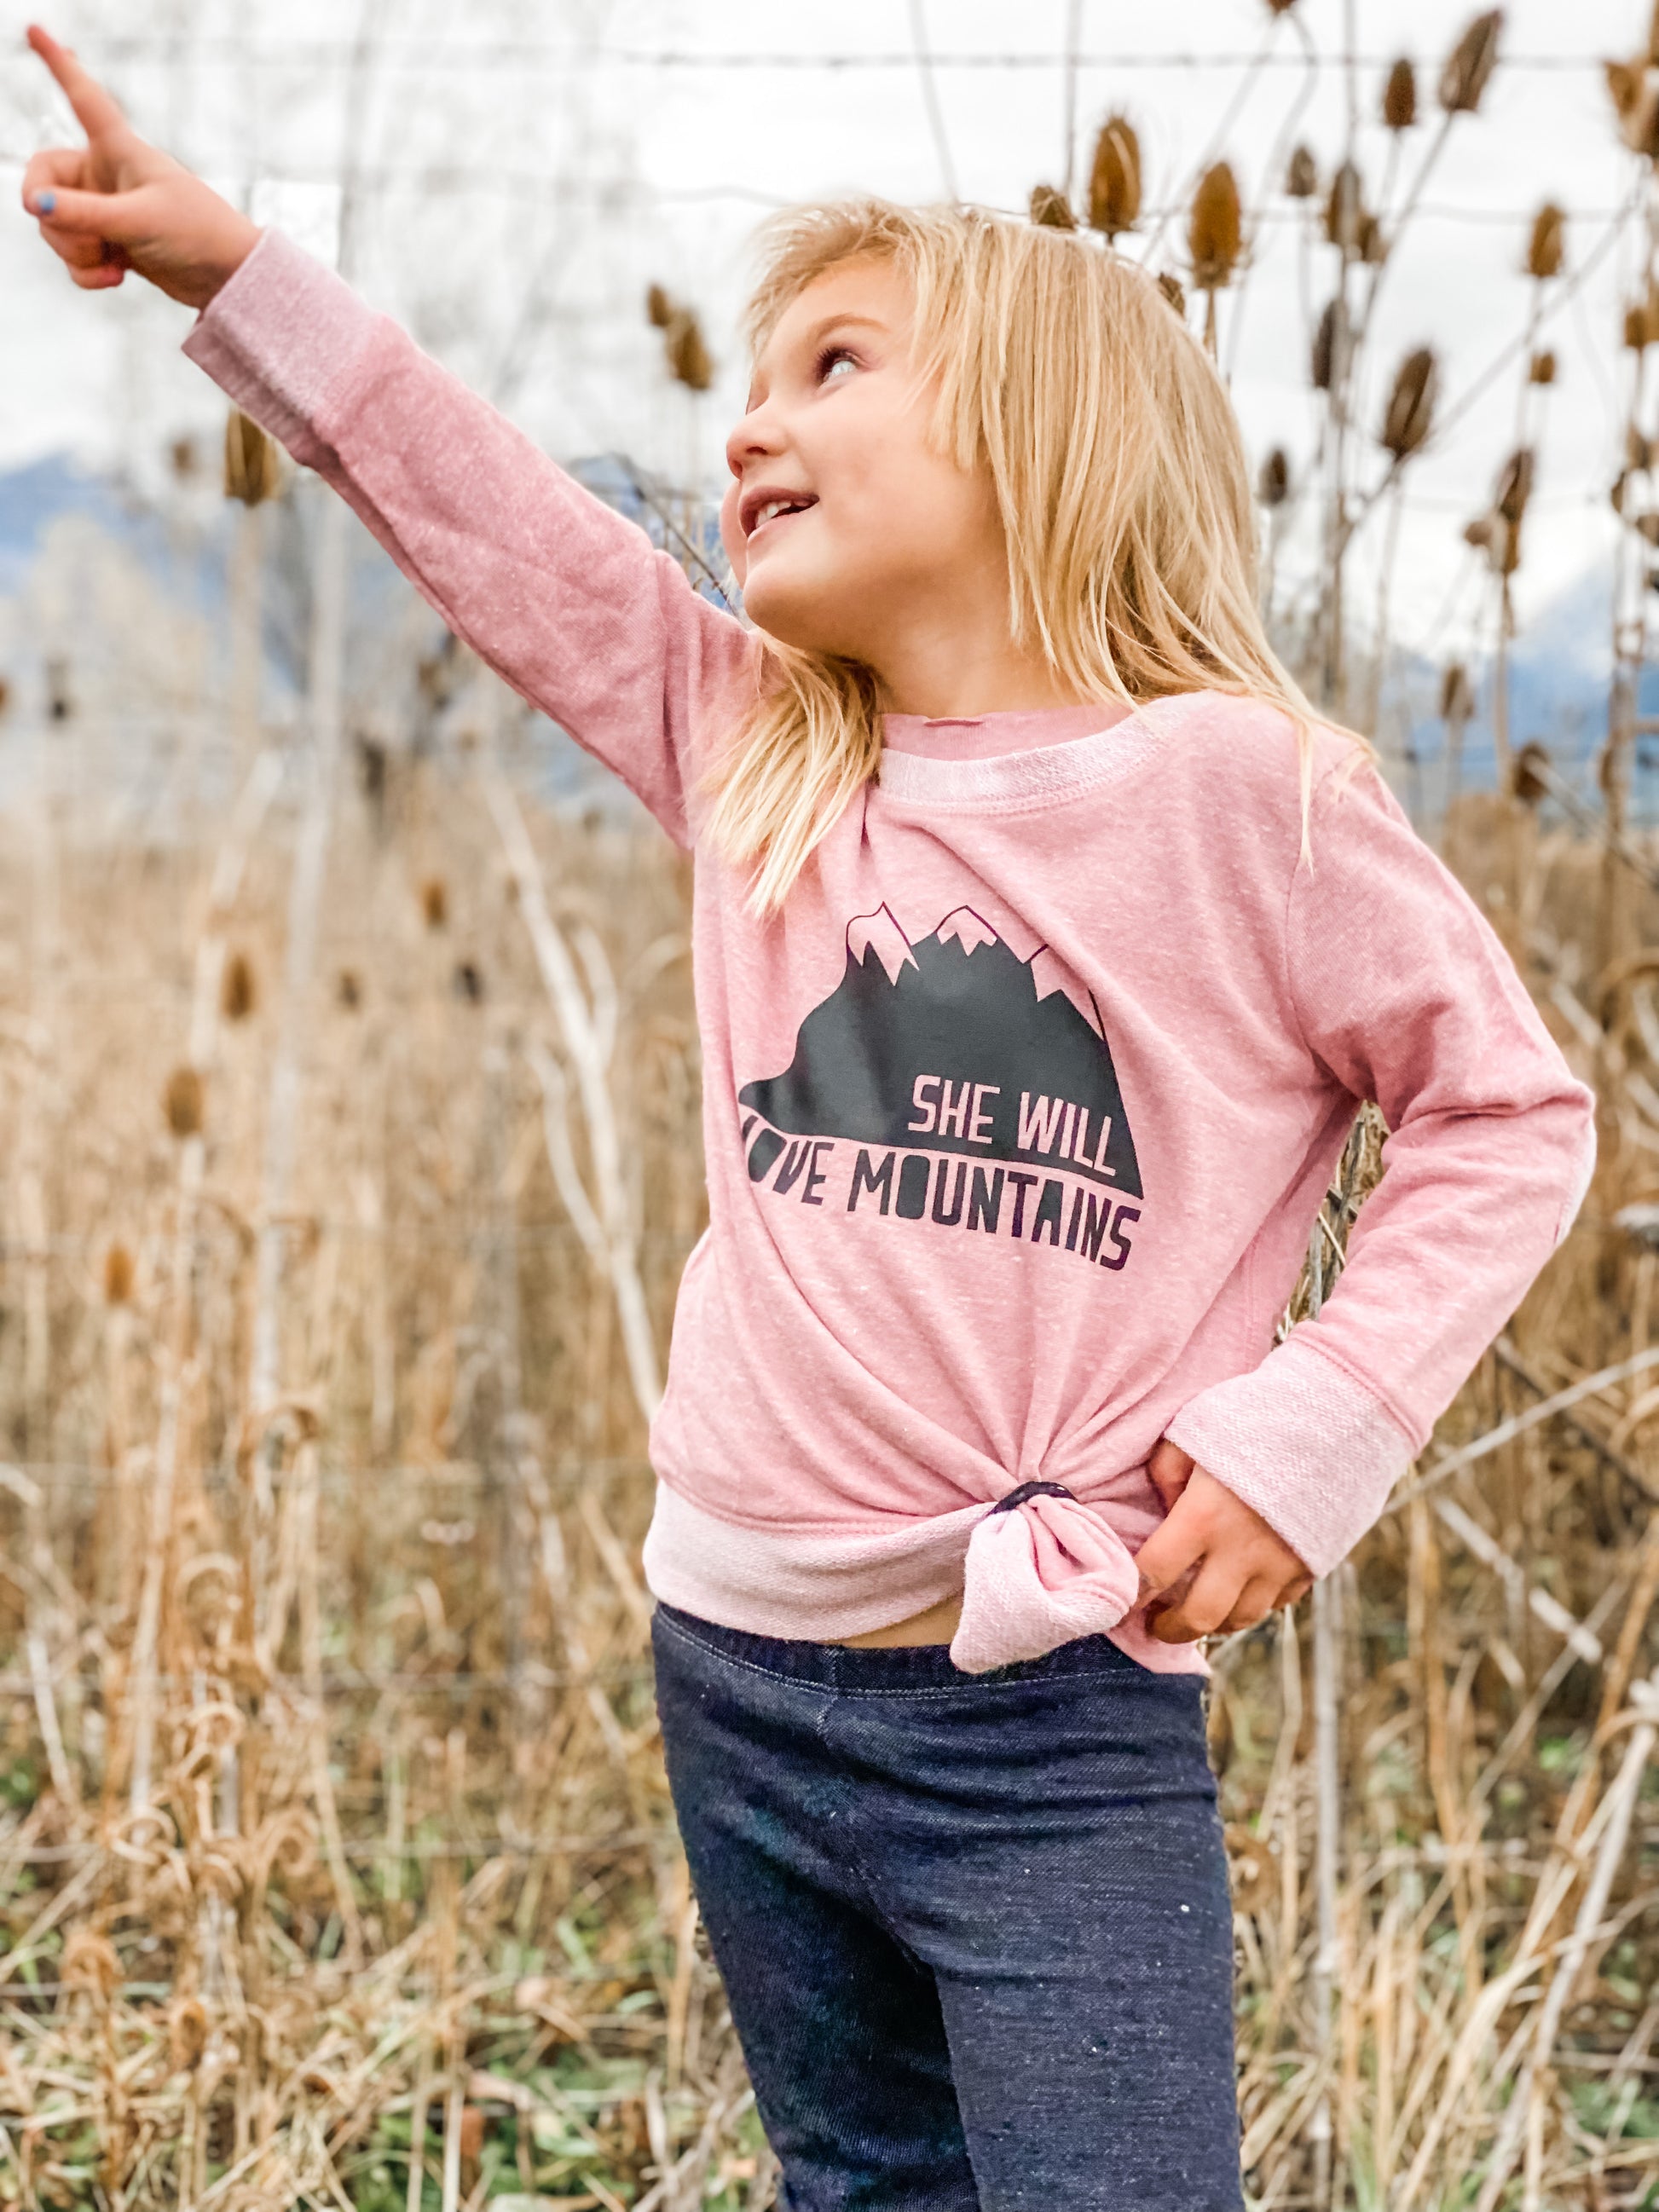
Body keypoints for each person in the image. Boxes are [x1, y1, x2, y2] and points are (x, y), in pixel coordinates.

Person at [21, 26, 1596, 2209]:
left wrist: (1313, 1426)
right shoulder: (764, 753)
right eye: (750, 381)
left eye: (834, 365)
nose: (748, 421)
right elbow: (495, 518)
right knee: (862, 2181)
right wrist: (235, 272)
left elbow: (1507, 1109)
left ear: (1042, 434)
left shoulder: (1246, 795)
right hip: (735, 1661)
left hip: (1045, 1701)